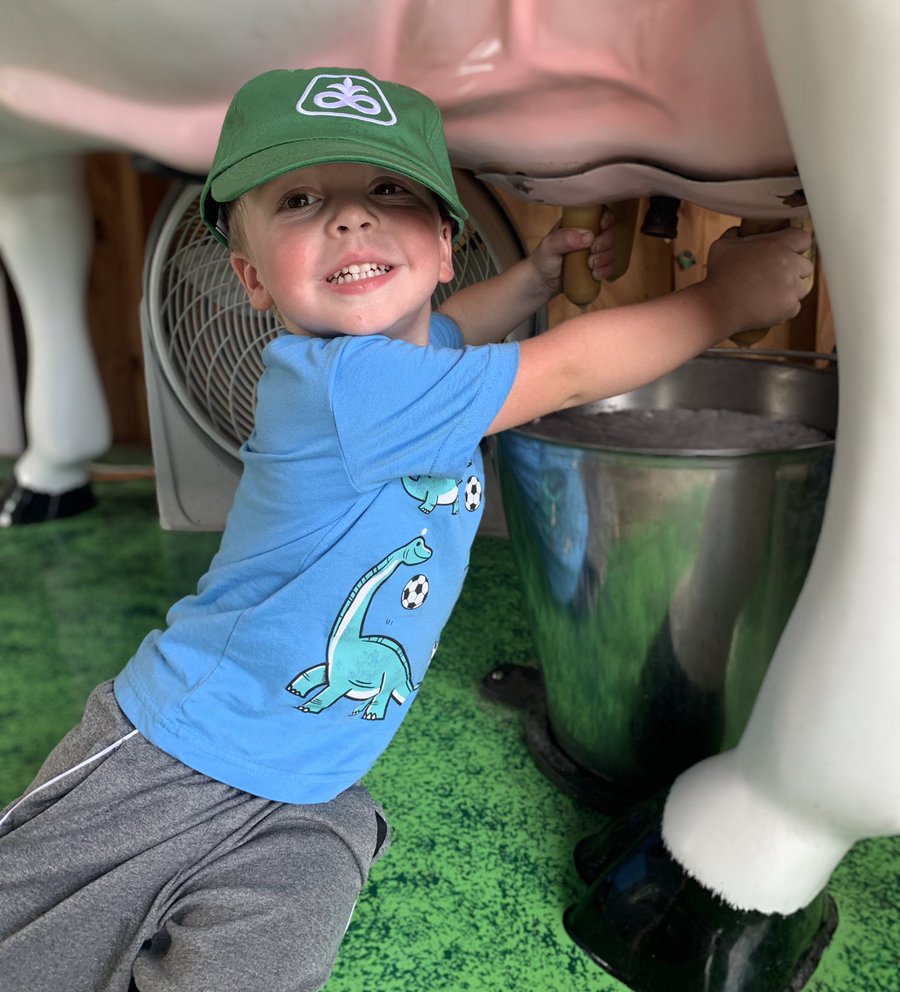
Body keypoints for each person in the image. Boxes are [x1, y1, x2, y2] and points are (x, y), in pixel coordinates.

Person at [0, 67, 812, 992]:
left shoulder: (408, 360)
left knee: (272, 947)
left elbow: (457, 327)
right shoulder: (347, 386)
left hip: (307, 788)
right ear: (250, 277)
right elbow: (572, 370)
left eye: (388, 190)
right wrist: (723, 300)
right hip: (175, 749)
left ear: (443, 246)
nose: (350, 219)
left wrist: (530, 279)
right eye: (302, 199)